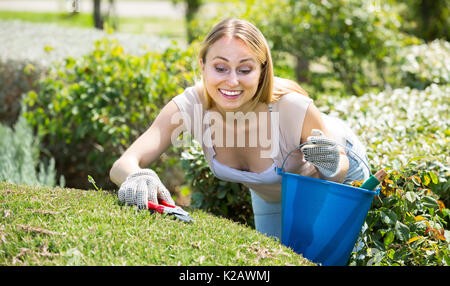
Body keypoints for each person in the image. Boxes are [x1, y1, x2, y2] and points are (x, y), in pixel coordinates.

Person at [109, 18, 370, 239]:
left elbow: (336, 175)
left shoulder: (291, 108)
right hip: (270, 195)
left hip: (335, 179)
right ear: (202, 65)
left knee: (327, 256)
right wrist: (136, 176)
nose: (231, 81)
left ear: (262, 70)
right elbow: (124, 162)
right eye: (220, 67)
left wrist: (331, 164)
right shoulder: (190, 106)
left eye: (245, 69)